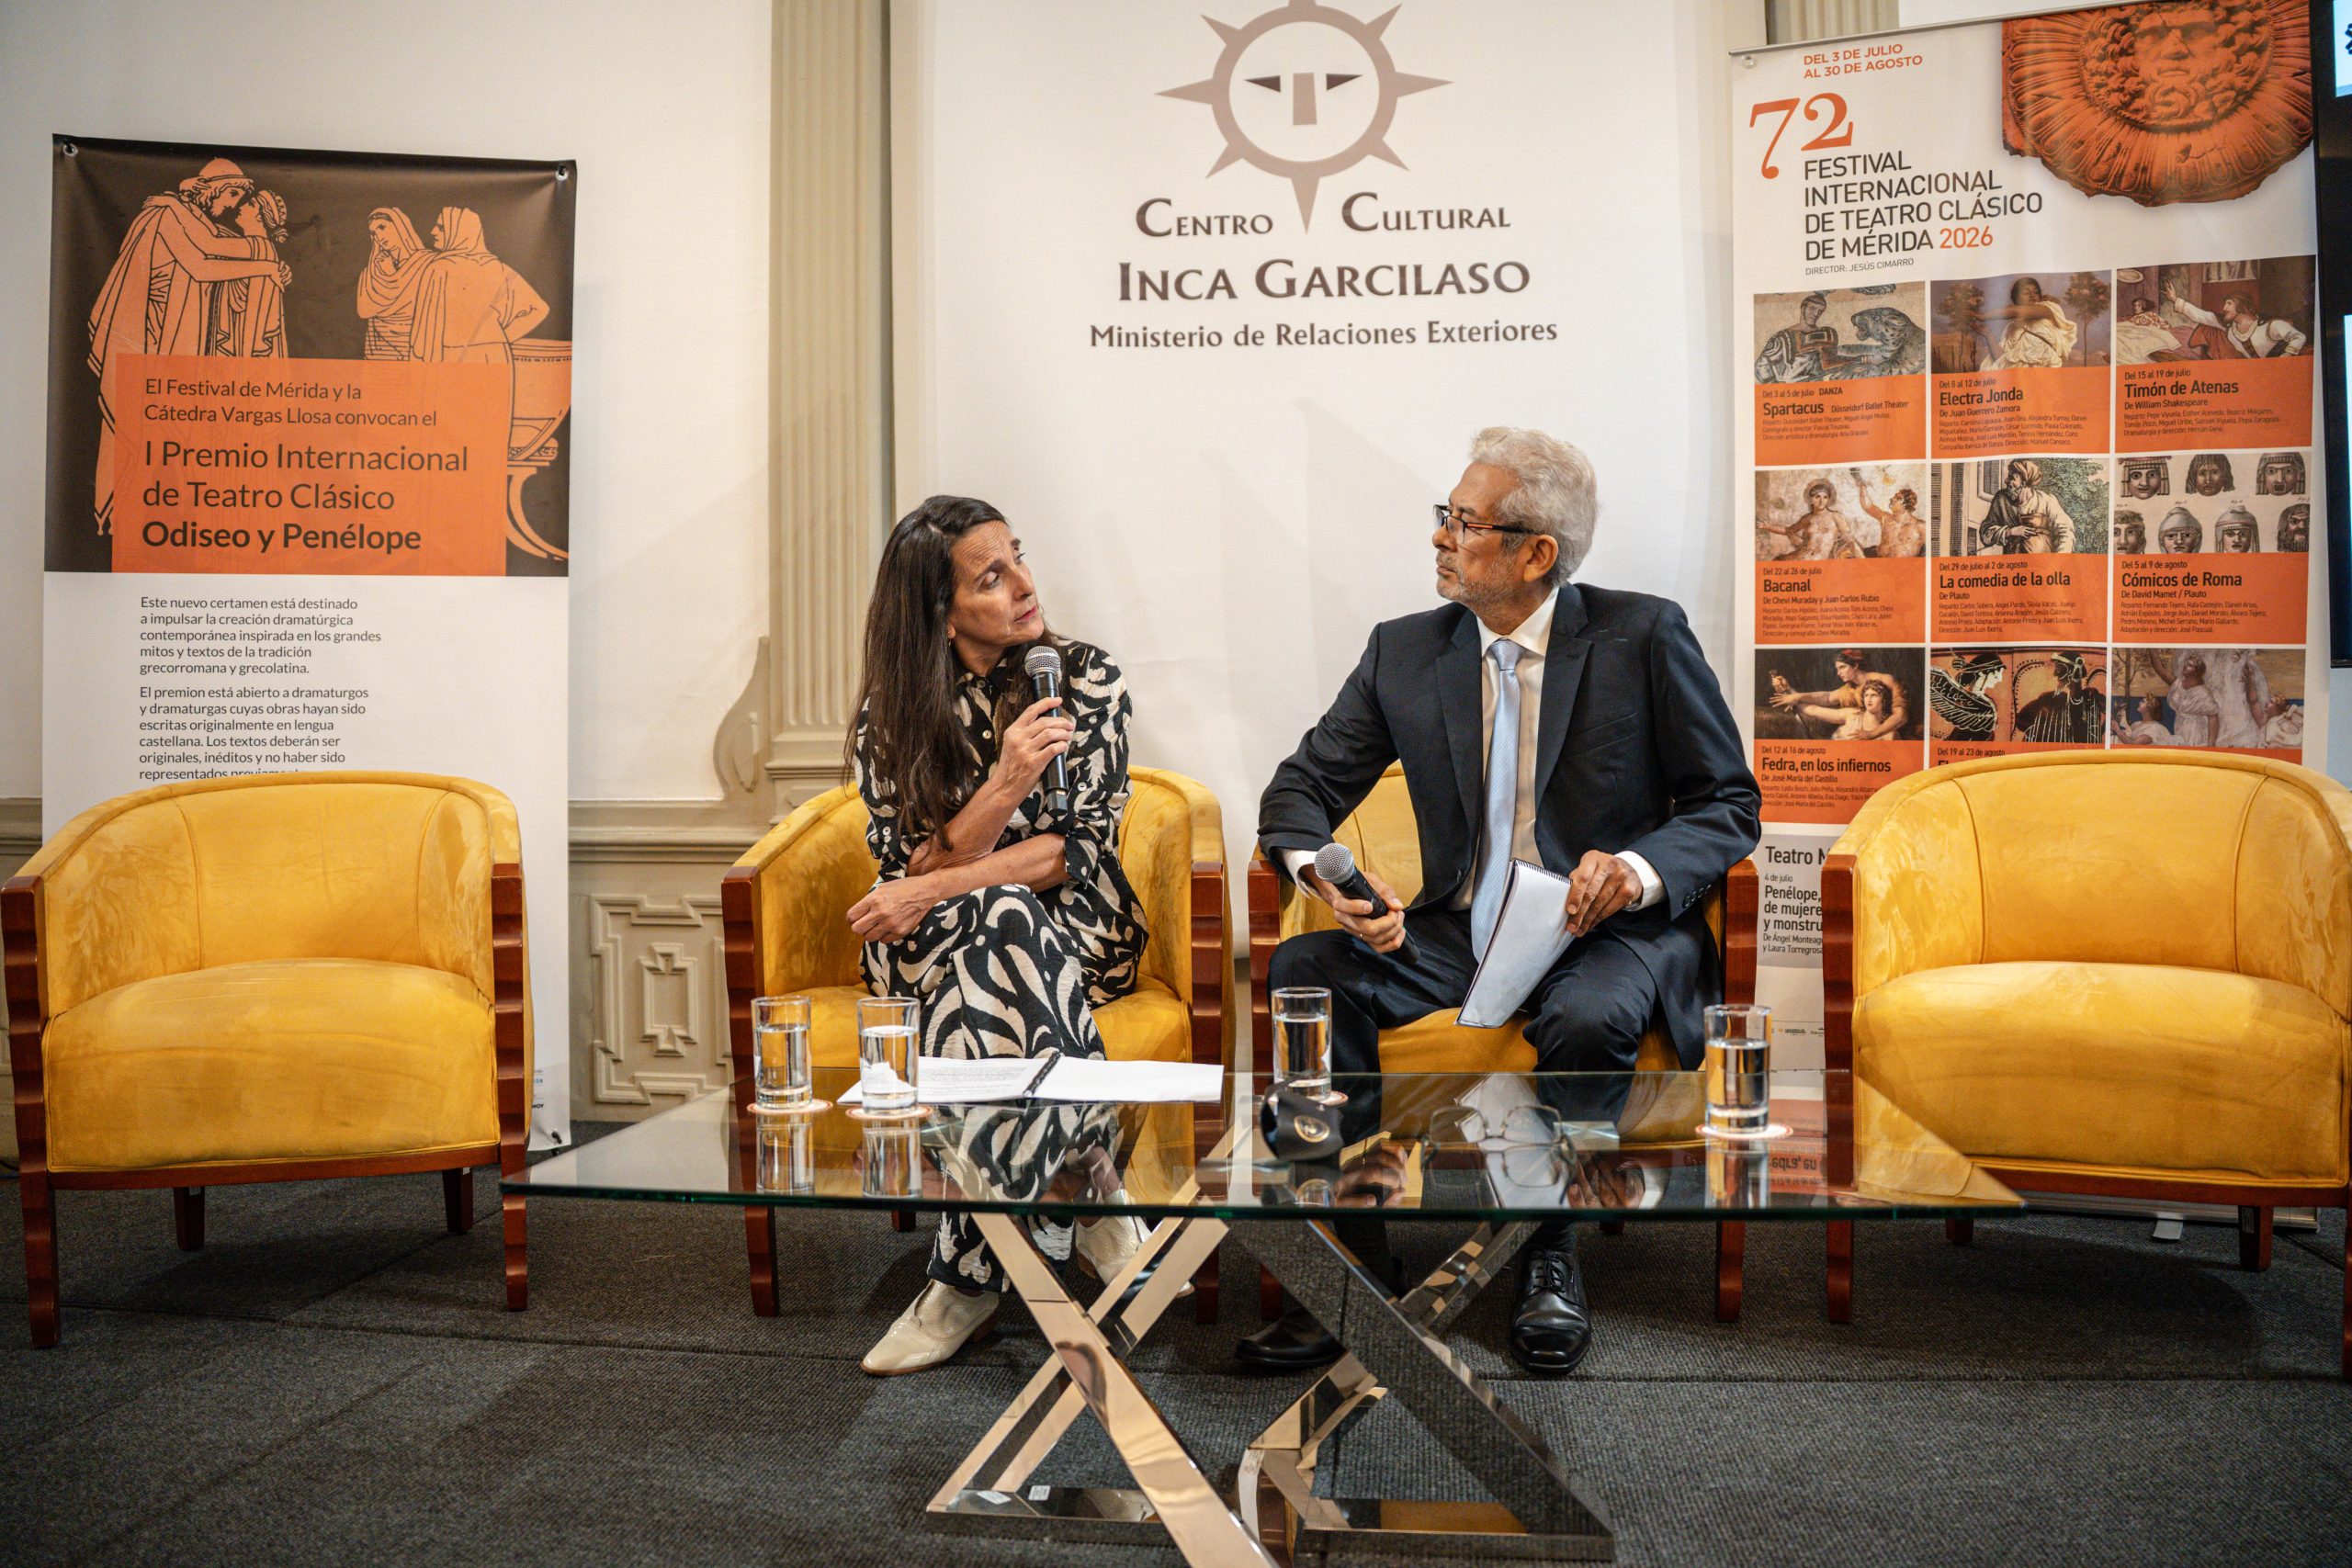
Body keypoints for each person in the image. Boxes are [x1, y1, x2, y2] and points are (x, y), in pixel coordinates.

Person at [1251, 427, 1759, 1377]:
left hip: (1603, 932)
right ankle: (1350, 1269)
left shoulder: (1644, 635)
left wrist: (1637, 869)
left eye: (1465, 521)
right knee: (1307, 968)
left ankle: (1545, 1252)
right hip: (1461, 928)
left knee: (1588, 1014)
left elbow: (1728, 803)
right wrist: (1325, 875)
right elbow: (1300, 788)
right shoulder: (1405, 651)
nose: (1440, 536)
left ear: (1537, 554)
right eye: (1444, 515)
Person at [843, 494, 1156, 1374]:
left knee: (1004, 915)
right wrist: (1007, 783)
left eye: (1018, 557)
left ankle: (963, 1282)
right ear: (941, 616)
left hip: (1077, 925)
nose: (1024, 585)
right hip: (929, 946)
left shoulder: (1086, 677)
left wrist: (941, 881)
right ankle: (1091, 1189)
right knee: (992, 920)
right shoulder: (892, 713)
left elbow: (1069, 853)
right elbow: (905, 870)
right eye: (992, 576)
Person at [84, 159, 290, 533]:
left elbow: (225, 250)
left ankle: (163, 525)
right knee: (135, 434)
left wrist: (269, 261)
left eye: (239, 198)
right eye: (231, 194)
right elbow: (201, 264)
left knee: (171, 442)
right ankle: (119, 522)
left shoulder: (199, 223)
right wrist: (265, 265)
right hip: (147, 344)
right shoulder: (166, 214)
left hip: (176, 348)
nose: (233, 205)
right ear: (209, 189)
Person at [409, 207, 549, 364]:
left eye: (441, 228)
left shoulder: (439, 268)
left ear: (460, 232)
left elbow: (425, 331)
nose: (433, 232)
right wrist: (502, 337)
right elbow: (539, 309)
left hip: (452, 355)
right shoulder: (500, 268)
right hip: (496, 353)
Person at [211, 189, 289, 358]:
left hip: (244, 342)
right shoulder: (264, 247)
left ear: (261, 217)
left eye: (251, 204)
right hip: (241, 339)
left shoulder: (255, 247)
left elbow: (209, 245)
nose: (242, 206)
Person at [1776, 648, 1912, 739]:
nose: (1838, 673)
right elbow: (1827, 698)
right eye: (1837, 668)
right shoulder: (1848, 690)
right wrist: (1794, 694)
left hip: (1884, 735)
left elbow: (1900, 716)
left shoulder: (1886, 680)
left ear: (1855, 665)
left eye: (1842, 667)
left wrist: (1871, 735)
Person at [356, 208, 431, 360]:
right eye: (373, 233)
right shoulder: (372, 271)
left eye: (382, 227)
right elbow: (363, 311)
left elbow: (427, 308)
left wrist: (391, 274)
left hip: (412, 352)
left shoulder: (426, 263)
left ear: (399, 226)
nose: (379, 237)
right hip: (379, 353)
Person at [2164, 280, 2307, 358]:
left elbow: (2299, 337)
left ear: (2241, 305)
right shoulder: (2229, 328)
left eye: (2229, 303)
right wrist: (2175, 299)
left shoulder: (2270, 326)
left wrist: (2286, 356)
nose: (2224, 308)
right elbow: (2202, 316)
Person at [1976, 458, 2075, 553]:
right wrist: (2010, 531)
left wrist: (2059, 558)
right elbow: (1985, 532)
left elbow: (2066, 531)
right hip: (2013, 562)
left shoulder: (2046, 500)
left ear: (2023, 484)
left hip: (2043, 561)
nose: (2006, 481)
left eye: (2012, 478)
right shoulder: (2001, 499)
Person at [1754, 479, 1866, 560]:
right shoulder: (1807, 518)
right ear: (1811, 499)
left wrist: (1863, 561)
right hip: (1801, 556)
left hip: (1820, 561)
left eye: (1825, 497)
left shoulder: (1836, 516)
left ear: (1828, 499)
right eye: (1817, 497)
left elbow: (1850, 541)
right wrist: (1766, 526)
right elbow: (1788, 530)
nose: (1821, 500)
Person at [1986, 276, 2077, 368]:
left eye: (2036, 292)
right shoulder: (2011, 327)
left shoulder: (2046, 310)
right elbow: (2001, 360)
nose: (2032, 295)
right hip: (2019, 373)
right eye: (2026, 293)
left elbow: (2014, 310)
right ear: (2016, 299)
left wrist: (1982, 316)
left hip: (2046, 371)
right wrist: (1988, 334)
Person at [1798, 676, 1899, 739]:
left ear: (1883, 700)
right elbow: (1815, 711)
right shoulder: (1853, 714)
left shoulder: (1890, 734)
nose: (1869, 699)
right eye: (1866, 695)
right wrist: (1794, 699)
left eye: (1874, 695)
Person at [1854, 475, 1926, 558]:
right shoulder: (1886, 518)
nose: (1892, 499)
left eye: (1898, 498)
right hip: (1878, 560)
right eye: (1894, 497)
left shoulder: (1920, 526)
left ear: (1907, 505)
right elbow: (1868, 506)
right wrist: (1862, 486)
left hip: (1904, 564)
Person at [2167, 655, 2220, 746]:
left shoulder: (2203, 693)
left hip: (2196, 732)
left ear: (2196, 673)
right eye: (2186, 664)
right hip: (2180, 727)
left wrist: (2211, 743)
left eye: (2190, 665)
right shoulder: (2178, 685)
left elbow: (2213, 718)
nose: (2185, 666)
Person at [2112, 694, 2176, 746]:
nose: (2139, 702)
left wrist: (2118, 730)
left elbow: (2134, 745)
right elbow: (2128, 736)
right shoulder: (2136, 724)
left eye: (2143, 702)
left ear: (2149, 708)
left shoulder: (2154, 728)